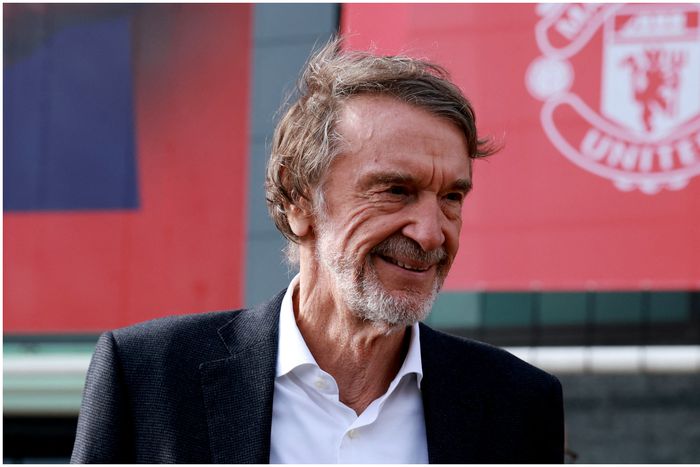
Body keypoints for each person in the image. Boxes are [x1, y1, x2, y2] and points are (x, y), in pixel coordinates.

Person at [71, 38, 564, 464]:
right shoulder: (148, 378)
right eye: (395, 190)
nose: (432, 234)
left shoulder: (517, 404)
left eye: (452, 197)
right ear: (299, 199)